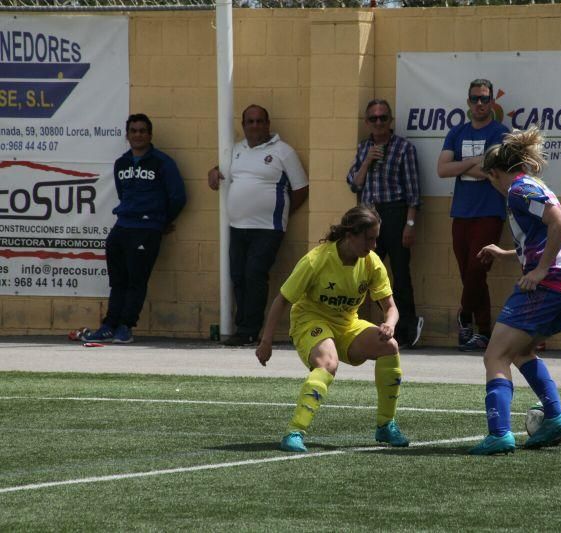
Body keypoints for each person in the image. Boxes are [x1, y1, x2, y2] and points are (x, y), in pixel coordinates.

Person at [468, 126, 561, 455]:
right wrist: (508, 253)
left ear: (495, 174)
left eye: (489, 179)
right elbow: (545, 236)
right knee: (520, 352)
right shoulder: (530, 187)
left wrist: (539, 271)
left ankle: (499, 434)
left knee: (495, 354)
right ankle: (553, 416)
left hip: (550, 285)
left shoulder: (518, 190)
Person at [255, 206, 410, 453]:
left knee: (389, 346)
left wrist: (389, 324)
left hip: (347, 323)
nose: (373, 245)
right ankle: (294, 432)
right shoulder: (316, 260)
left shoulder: (371, 262)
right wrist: (266, 341)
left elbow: (391, 307)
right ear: (350, 235)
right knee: (328, 363)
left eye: (375, 238)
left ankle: (385, 425)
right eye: (368, 239)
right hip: (310, 321)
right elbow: (282, 300)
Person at [208, 104, 309, 346]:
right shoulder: (235, 150)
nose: (255, 126)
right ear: (243, 125)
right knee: (238, 275)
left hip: (268, 228)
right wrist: (213, 171)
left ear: (268, 124)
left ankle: (250, 329)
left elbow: (301, 188)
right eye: (250, 122)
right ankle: (242, 326)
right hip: (237, 226)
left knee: (254, 274)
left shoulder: (283, 151)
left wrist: (281, 212)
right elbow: (221, 173)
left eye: (259, 121)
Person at [81, 113, 186, 344]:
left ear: (150, 134)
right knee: (117, 281)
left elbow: (178, 196)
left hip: (147, 228)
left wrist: (160, 222)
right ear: (127, 135)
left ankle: (126, 327)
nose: (138, 135)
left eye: (142, 131)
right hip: (122, 226)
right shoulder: (121, 163)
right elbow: (123, 193)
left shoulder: (162, 162)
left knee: (136, 281)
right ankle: (109, 325)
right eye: (133, 131)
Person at [437, 78, 509, 352]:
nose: (480, 103)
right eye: (475, 98)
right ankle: (484, 332)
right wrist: (471, 163)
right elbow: (442, 169)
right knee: (468, 274)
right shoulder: (457, 133)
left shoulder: (500, 133)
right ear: (468, 101)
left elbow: (493, 173)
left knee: (477, 269)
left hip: (489, 212)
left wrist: (459, 165)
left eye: (485, 98)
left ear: (492, 102)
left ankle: (465, 317)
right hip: (461, 213)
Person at [346, 98, 424, 349]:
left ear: (390, 121)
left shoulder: (403, 148)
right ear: (367, 122)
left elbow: (413, 193)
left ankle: (405, 330)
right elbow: (354, 184)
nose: (378, 123)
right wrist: (367, 160)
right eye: (373, 118)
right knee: (362, 272)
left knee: (399, 275)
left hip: (395, 214)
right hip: (368, 215)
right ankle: (355, 327)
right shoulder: (363, 148)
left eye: (383, 118)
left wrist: (410, 224)